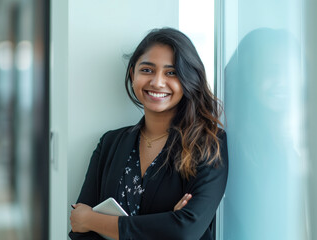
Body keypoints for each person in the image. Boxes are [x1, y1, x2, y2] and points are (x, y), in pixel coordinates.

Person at [69, 28, 228, 240]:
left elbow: (184, 231)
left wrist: (92, 220)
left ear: (188, 78)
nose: (157, 82)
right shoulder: (110, 143)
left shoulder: (209, 143)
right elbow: (80, 231)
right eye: (147, 70)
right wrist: (164, 224)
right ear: (132, 73)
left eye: (171, 73)